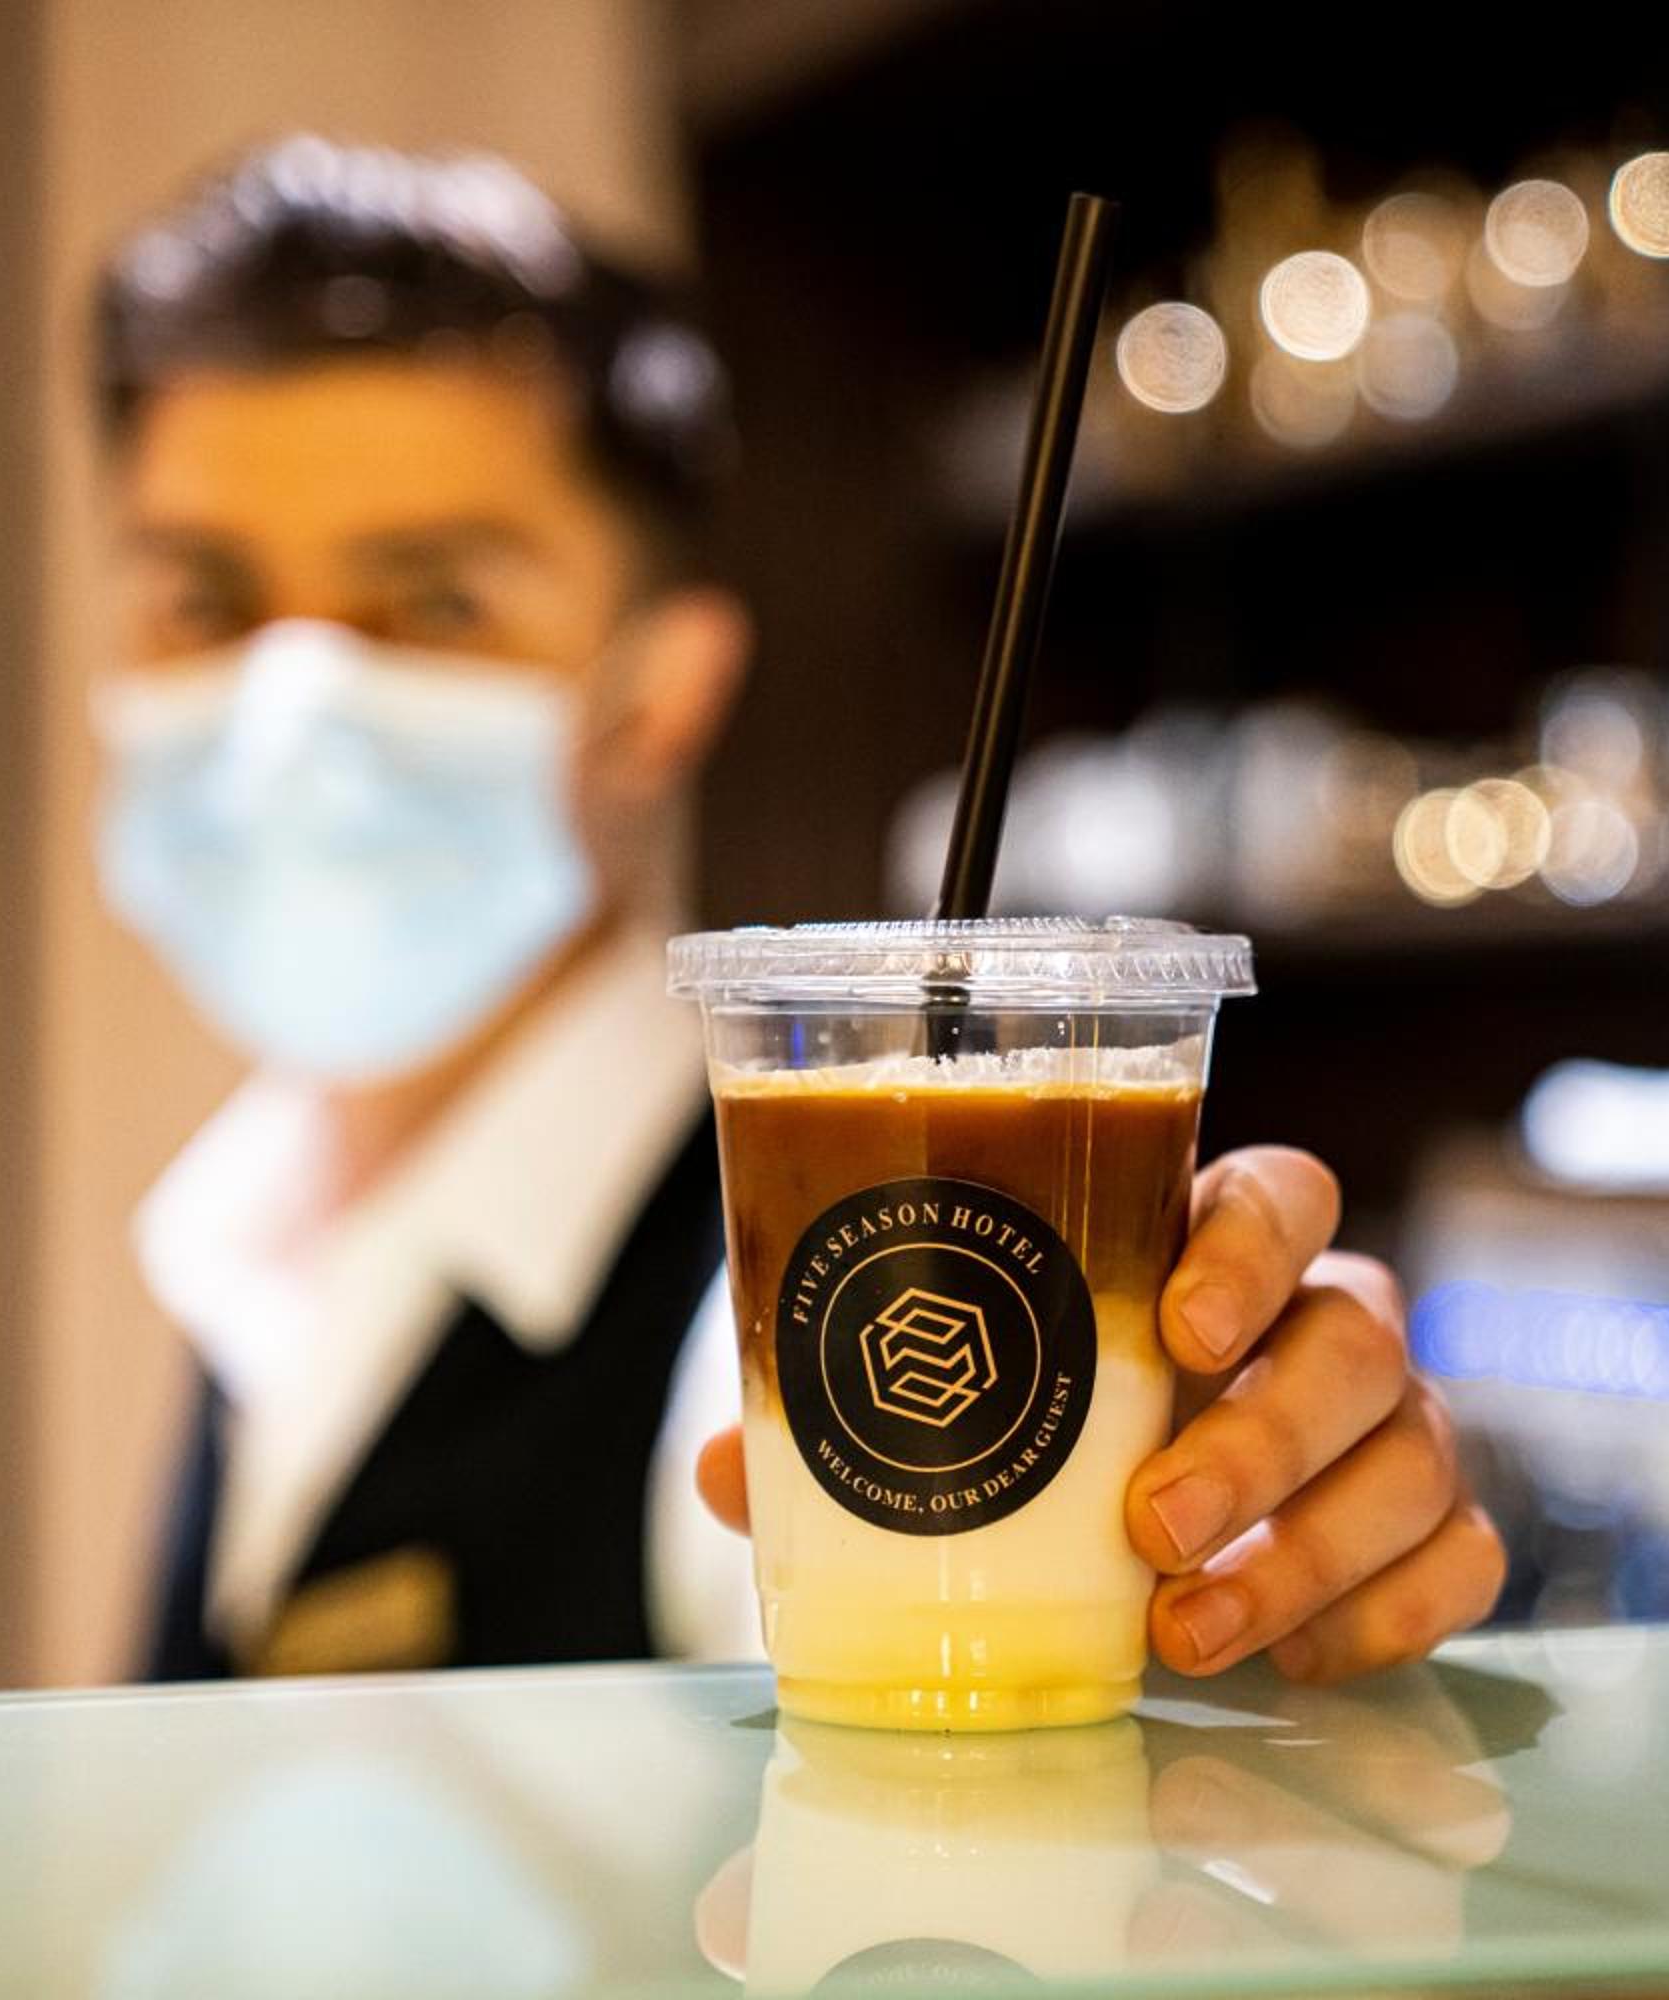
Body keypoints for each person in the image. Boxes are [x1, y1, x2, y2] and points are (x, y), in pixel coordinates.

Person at [90, 136, 1503, 1689]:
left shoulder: (763, 1313)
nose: (293, 707)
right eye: (207, 600)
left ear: (660, 692)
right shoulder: (235, 1220)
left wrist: (1192, 1527)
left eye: (435, 601)